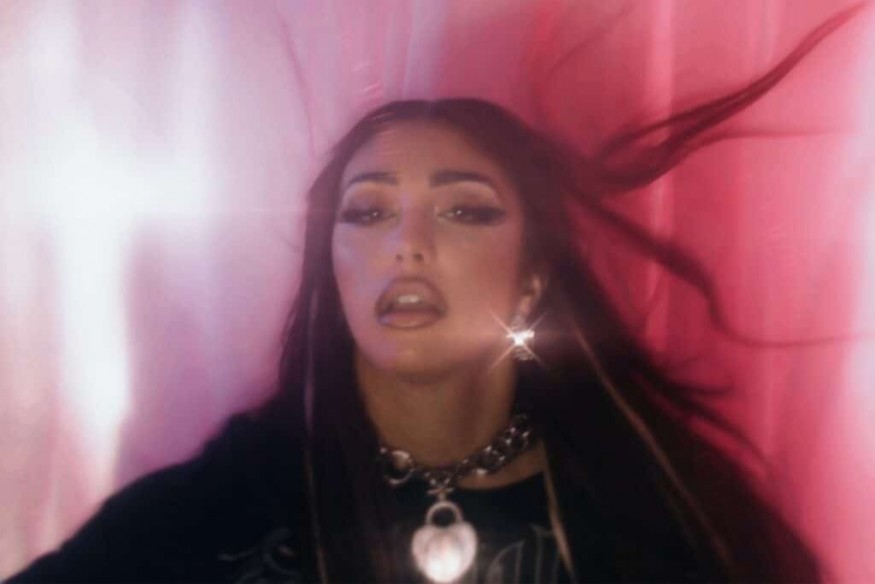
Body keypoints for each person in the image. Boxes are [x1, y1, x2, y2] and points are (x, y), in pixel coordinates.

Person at [9, 6, 863, 581]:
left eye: (464, 210)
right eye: (366, 212)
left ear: (531, 278)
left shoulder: (657, 505)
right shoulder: (224, 503)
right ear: (329, 271)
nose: (406, 242)